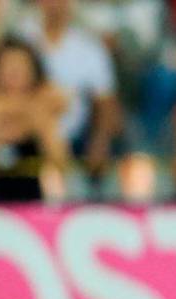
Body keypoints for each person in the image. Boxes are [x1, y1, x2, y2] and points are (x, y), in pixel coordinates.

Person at [0, 40, 68, 203]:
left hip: (37, 189)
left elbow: (59, 159)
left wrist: (1, 124)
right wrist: (24, 119)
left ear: (33, 71)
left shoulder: (47, 95)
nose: (13, 72)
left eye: (20, 66)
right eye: (7, 65)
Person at [19, 0, 119, 176]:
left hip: (75, 139)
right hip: (22, 132)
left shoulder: (89, 47)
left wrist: (100, 142)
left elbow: (106, 103)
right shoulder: (20, 38)